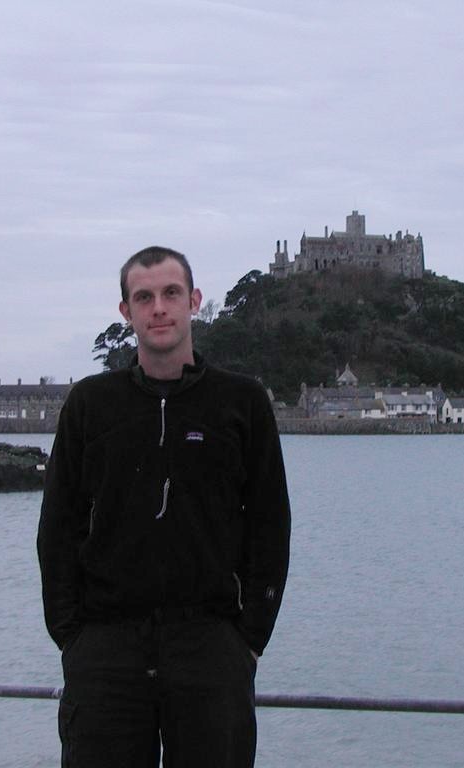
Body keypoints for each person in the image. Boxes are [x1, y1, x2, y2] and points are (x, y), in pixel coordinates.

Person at [37, 246, 291, 768]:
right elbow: (57, 528)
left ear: (194, 301)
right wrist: (72, 638)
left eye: (171, 293)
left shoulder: (242, 403)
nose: (159, 308)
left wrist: (248, 641)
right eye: (144, 297)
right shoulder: (89, 405)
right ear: (126, 311)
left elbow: (270, 525)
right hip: (105, 652)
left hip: (211, 650)